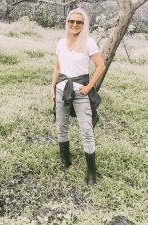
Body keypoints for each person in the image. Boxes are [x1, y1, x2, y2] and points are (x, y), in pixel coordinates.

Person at [50, 8, 105, 185]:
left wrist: (89, 87)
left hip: (81, 93)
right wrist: (52, 88)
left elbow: (100, 66)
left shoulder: (88, 42)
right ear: (67, 22)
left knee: (87, 130)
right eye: (71, 21)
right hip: (61, 90)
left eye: (78, 22)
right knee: (61, 126)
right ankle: (65, 160)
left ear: (83, 24)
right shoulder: (60, 42)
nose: (74, 25)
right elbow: (58, 68)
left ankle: (91, 172)